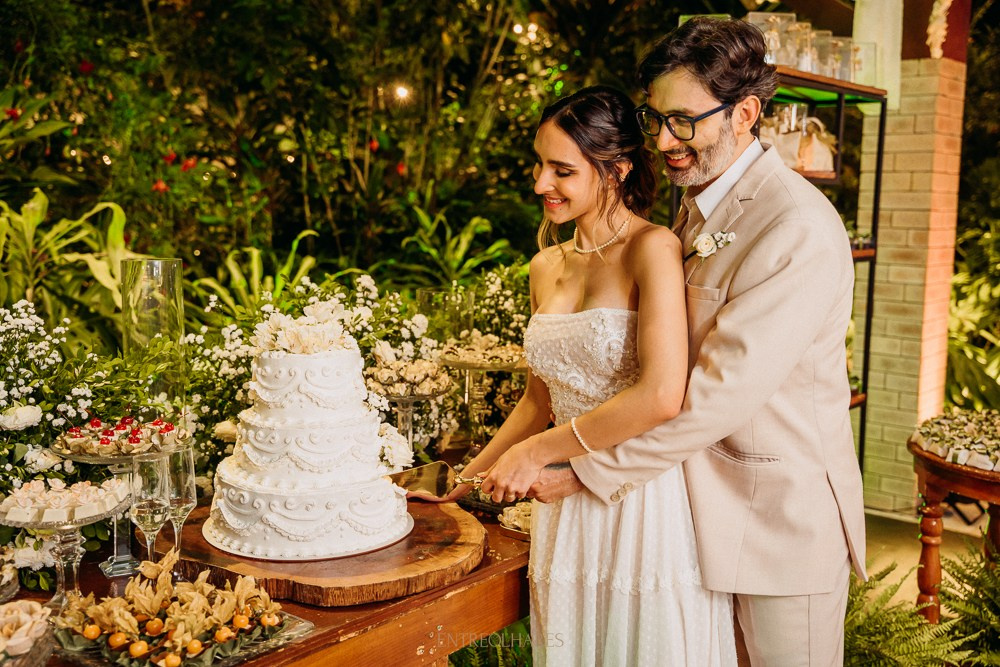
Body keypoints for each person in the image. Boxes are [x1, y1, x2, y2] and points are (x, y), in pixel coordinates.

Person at [482, 17, 867, 666]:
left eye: (683, 120)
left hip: (774, 522)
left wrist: (575, 467)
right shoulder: (695, 209)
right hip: (680, 512)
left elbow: (708, 397)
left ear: (745, 113)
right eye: (656, 118)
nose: (664, 139)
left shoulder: (794, 227)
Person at [449, 85, 737, 665]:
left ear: (616, 170)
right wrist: (465, 483)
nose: (540, 185)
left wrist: (538, 454)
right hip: (564, 511)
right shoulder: (543, 265)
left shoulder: (651, 249)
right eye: (539, 165)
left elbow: (660, 395)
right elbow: (537, 402)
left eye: (562, 170)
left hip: (636, 497)